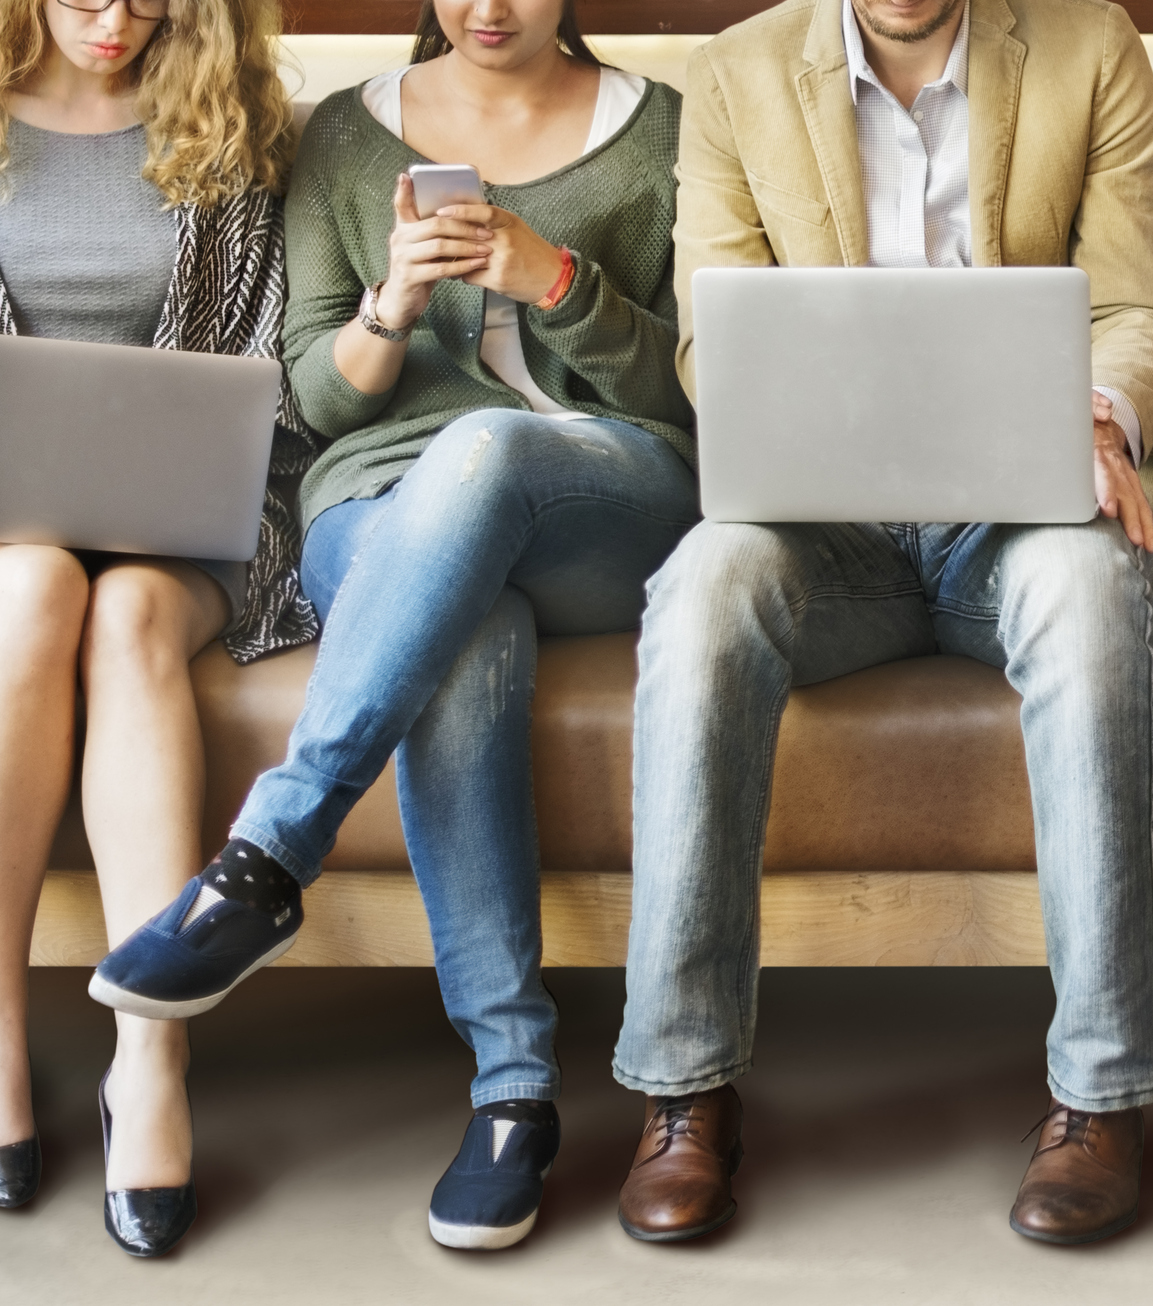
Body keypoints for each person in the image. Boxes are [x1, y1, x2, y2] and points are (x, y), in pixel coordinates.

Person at [86, 0, 696, 1252]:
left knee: (485, 447)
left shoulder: (663, 133)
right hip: (378, 504)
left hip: (602, 491)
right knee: (464, 631)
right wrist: (389, 310)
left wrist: (558, 281)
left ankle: (269, 859)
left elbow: (693, 384)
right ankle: (513, 1090)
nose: (490, 9)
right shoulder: (343, 141)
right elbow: (307, 400)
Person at [610, 0, 1153, 1248]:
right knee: (706, 585)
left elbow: (1141, 310)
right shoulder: (736, 73)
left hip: (1023, 513)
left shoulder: (1095, 49)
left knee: (1095, 594)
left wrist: (1097, 414)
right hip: (832, 523)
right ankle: (684, 1086)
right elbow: (714, 343)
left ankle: (1101, 1095)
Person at [0, 0, 305, 1257]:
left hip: (190, 529)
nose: (118, 21)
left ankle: (150, 1060)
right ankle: (4, 1038)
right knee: (37, 590)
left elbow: (266, 369)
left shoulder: (232, 124)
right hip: (9, 540)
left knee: (124, 607)